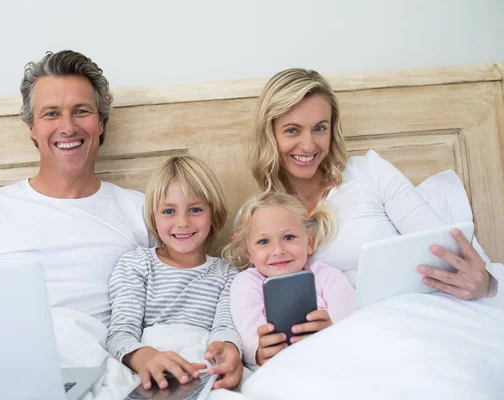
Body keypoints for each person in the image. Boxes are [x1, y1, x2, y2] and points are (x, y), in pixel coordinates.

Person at [0, 50, 149, 326]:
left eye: (81, 111)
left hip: (103, 363)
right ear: (31, 127)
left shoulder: (143, 212)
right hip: (3, 361)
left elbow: (184, 300)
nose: (67, 127)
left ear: (100, 122)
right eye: (51, 114)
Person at [249, 68, 498, 307]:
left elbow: (446, 248)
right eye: (292, 130)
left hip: (414, 309)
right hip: (338, 331)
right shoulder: (259, 217)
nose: (308, 145)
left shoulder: (370, 172)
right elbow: (256, 301)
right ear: (269, 134)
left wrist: (485, 283)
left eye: (320, 128)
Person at [106, 155, 243, 391]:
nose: (183, 222)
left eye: (195, 209)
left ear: (214, 214)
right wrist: (144, 357)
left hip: (201, 367)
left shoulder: (227, 274)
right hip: (148, 373)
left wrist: (229, 349)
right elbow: (120, 334)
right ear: (153, 218)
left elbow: (225, 328)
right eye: (169, 211)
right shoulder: (136, 264)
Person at [223, 192, 355, 367]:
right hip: (279, 367)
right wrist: (259, 352)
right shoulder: (246, 283)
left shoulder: (328, 276)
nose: (278, 250)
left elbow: (352, 325)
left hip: (329, 358)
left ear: (309, 242)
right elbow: (248, 335)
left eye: (288, 237)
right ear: (248, 252)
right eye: (263, 241)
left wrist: (331, 332)